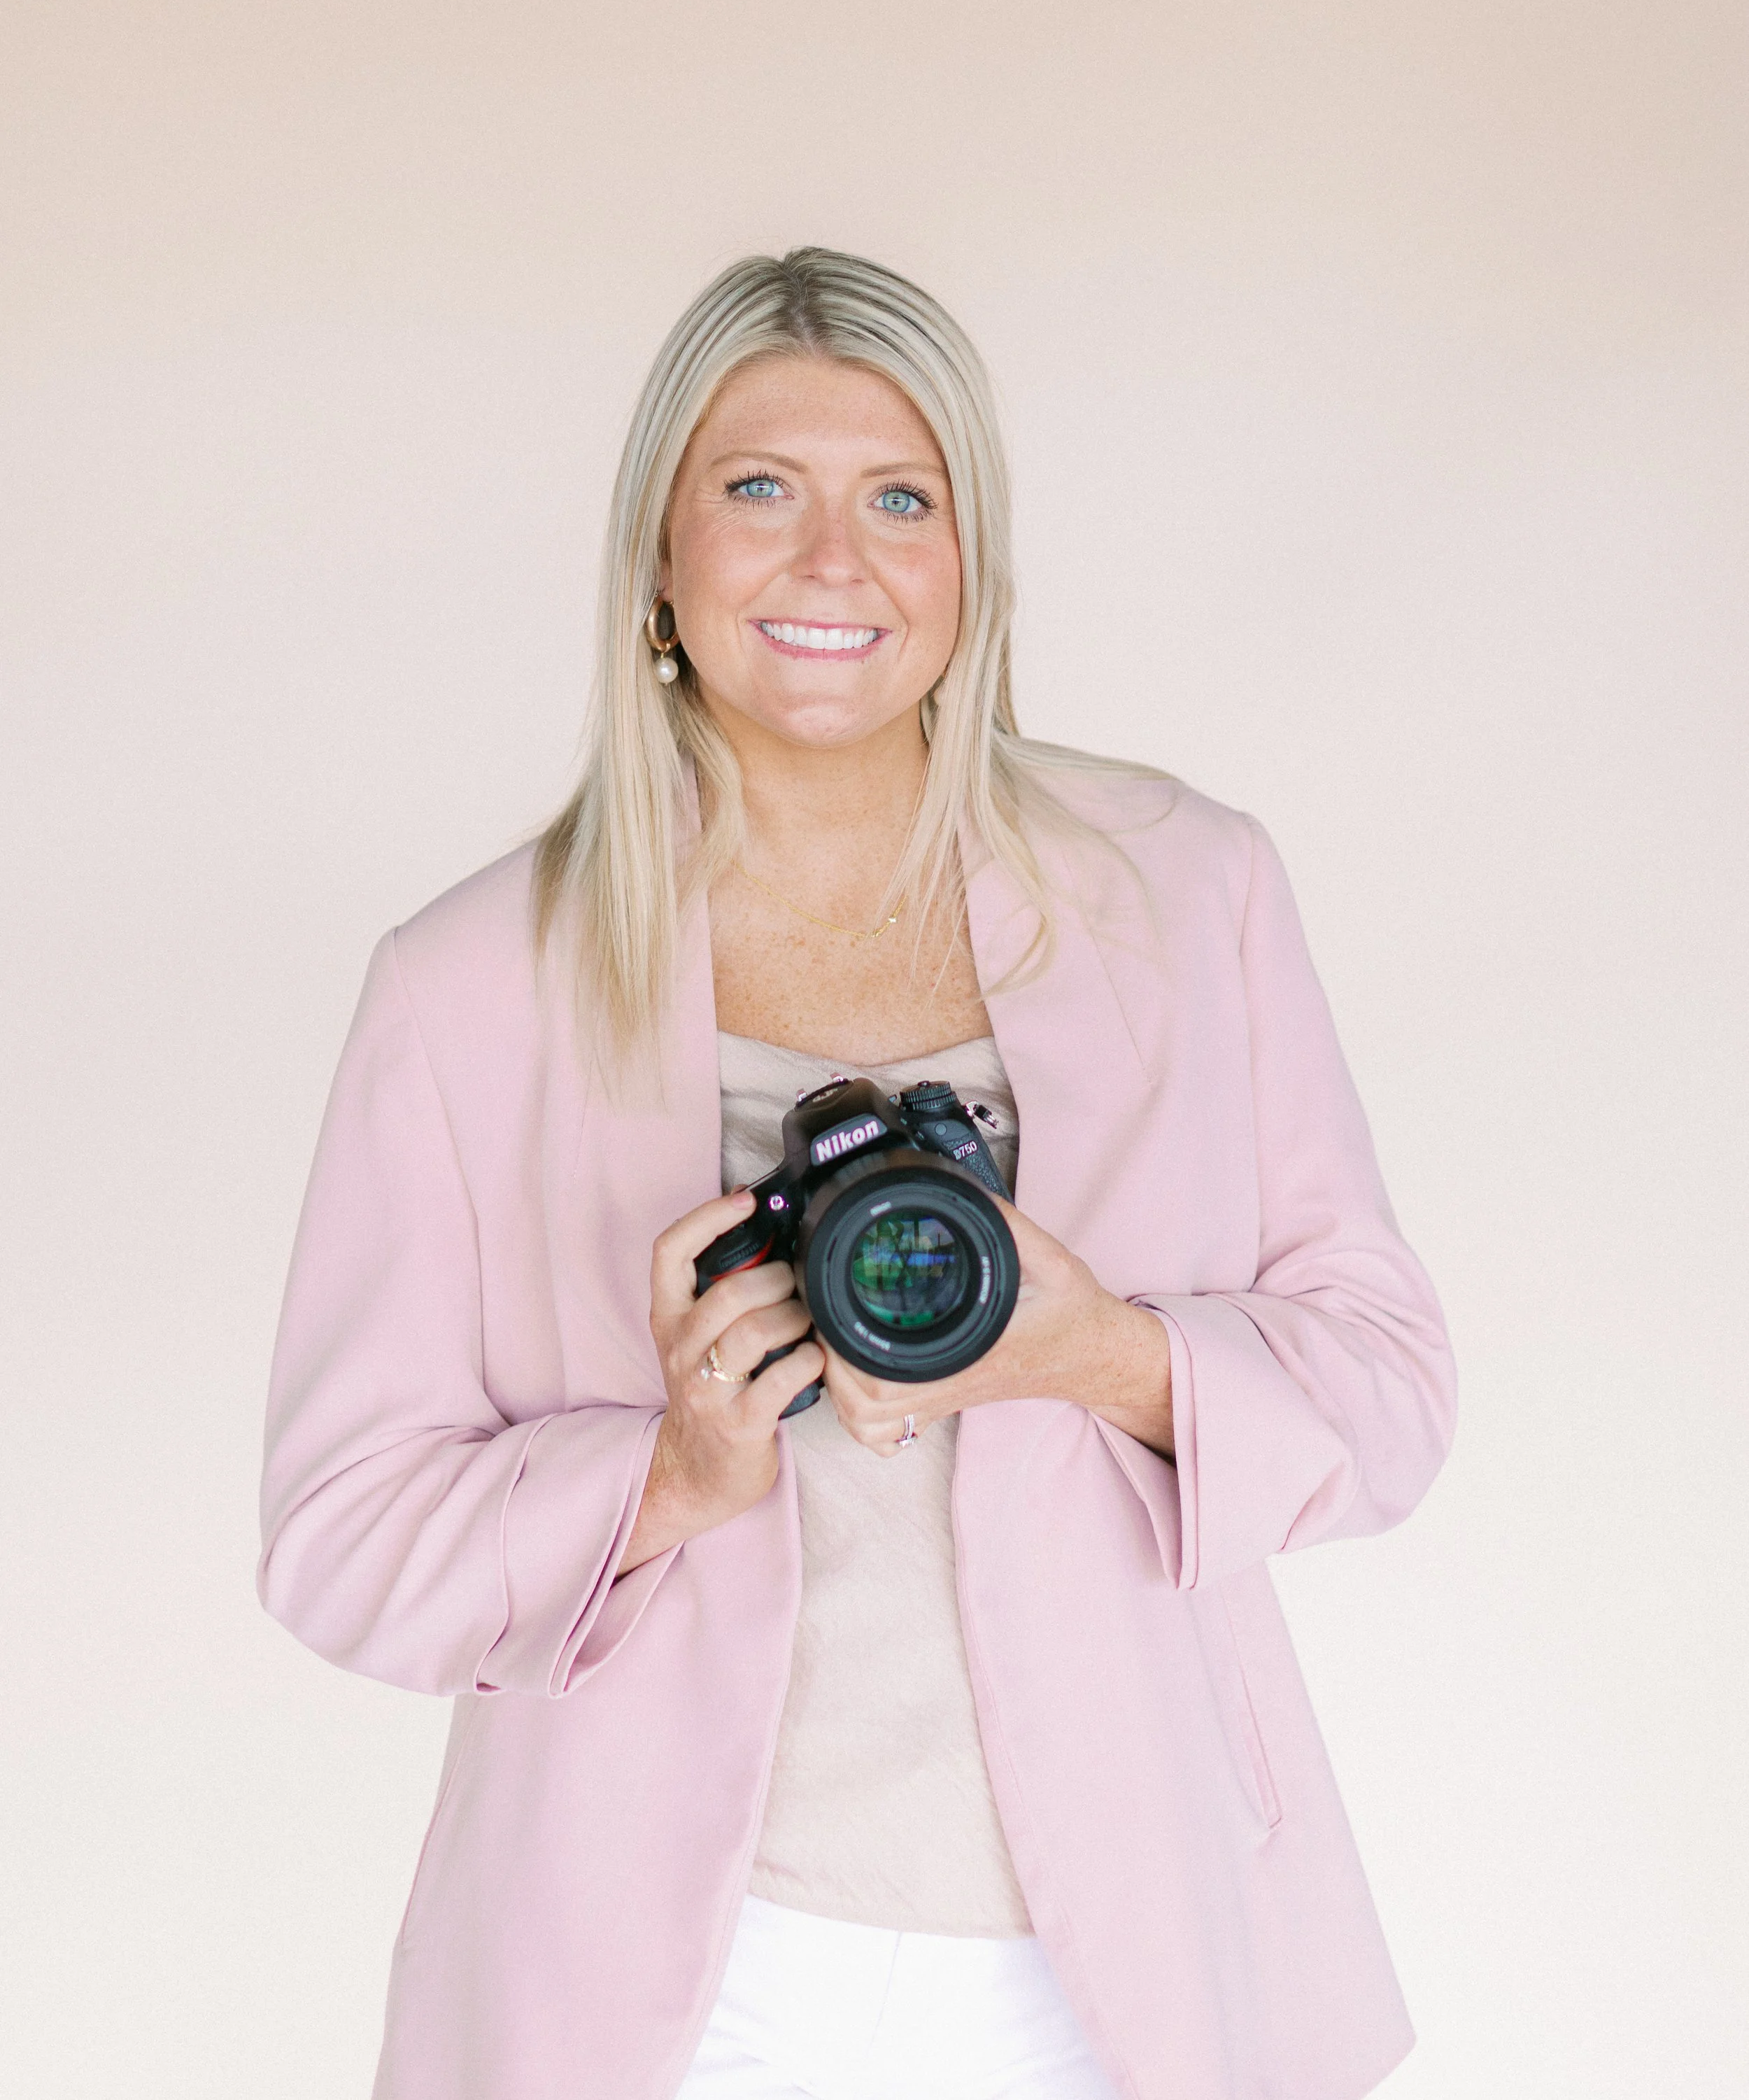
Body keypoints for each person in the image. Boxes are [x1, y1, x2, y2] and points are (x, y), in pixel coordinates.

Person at [259, 247, 1457, 2100]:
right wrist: (667, 1475)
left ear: (972, 565)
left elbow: (1388, 1391)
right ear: (657, 554)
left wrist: (1095, 1351)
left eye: (902, 498)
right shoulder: (471, 984)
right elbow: (339, 1535)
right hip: (662, 1985)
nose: (834, 560)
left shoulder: (1183, 887)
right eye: (760, 489)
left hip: (1126, 1951)